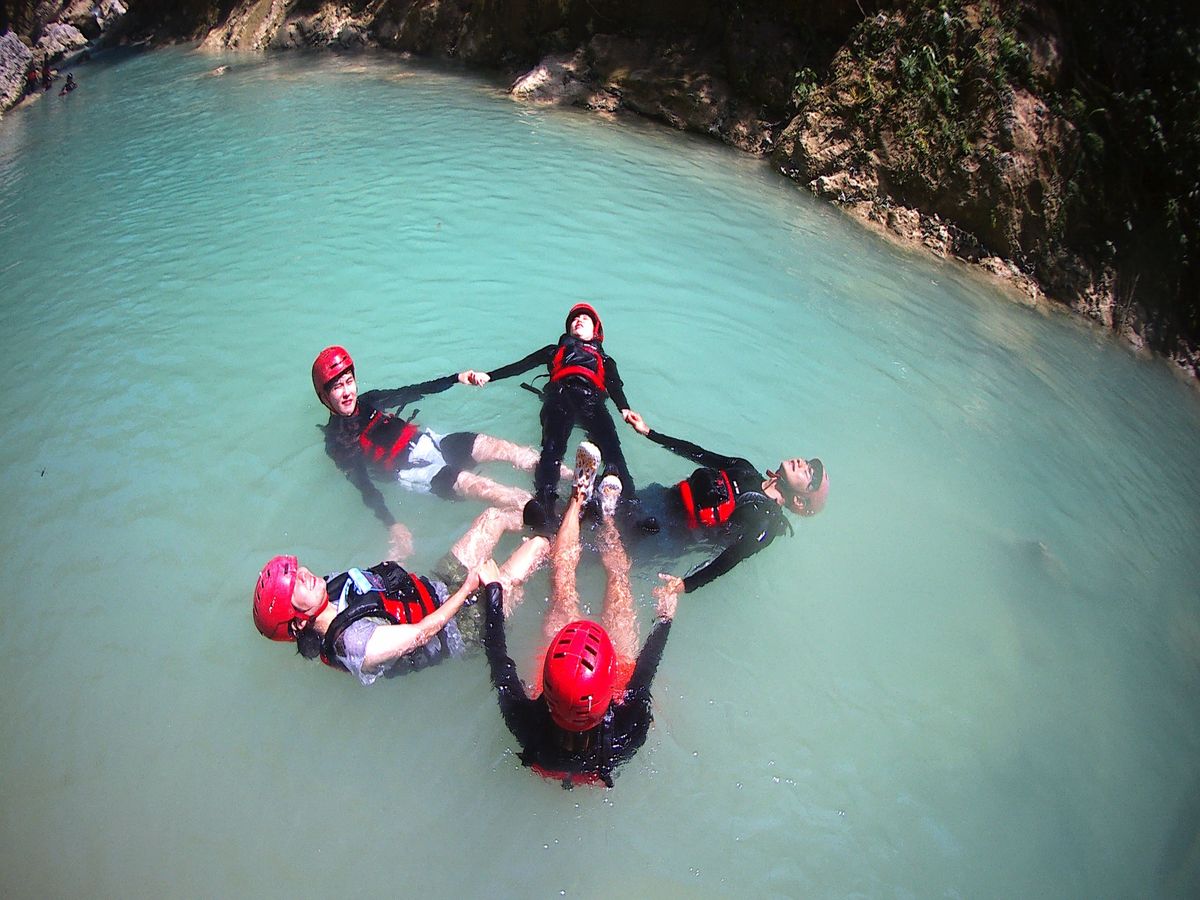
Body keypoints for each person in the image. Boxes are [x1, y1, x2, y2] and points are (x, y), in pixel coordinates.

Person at [484, 443, 677, 788]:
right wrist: (664, 619)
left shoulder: (526, 723)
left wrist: (493, 592)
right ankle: (605, 515)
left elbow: (499, 660)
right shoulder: (625, 732)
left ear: (545, 686)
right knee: (618, 583)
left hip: (576, 673)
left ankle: (578, 496)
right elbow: (643, 674)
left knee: (562, 583)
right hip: (614, 677)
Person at [313, 345, 569, 556]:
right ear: (324, 397)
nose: (347, 392)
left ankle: (569, 477)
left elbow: (414, 391)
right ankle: (551, 524)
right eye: (337, 387)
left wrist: (456, 378)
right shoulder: (338, 440)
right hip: (415, 472)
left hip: (430, 441)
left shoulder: (370, 400)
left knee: (500, 447)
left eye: (349, 382)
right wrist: (392, 524)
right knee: (481, 486)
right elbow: (364, 486)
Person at [252, 505, 548, 684]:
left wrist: (398, 553)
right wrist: (471, 587)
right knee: (531, 552)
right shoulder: (356, 645)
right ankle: (568, 536)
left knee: (492, 518)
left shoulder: (329, 589)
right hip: (458, 631)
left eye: (298, 570)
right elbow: (422, 632)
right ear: (299, 623)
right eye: (295, 586)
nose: (304, 573)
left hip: (435, 587)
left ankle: (552, 513)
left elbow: (375, 586)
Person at [459, 303, 651, 529]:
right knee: (551, 451)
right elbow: (522, 365)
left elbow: (614, 386)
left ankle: (632, 510)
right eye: (574, 319)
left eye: (585, 318)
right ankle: (545, 507)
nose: (578, 320)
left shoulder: (606, 361)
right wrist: (489, 376)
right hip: (560, 397)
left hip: (592, 401)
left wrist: (624, 408)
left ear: (596, 331)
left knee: (613, 453)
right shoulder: (554, 350)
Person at [639, 427, 829, 600]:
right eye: (807, 462)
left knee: (616, 544)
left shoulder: (766, 523)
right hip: (658, 497)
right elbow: (697, 453)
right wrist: (650, 432)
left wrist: (685, 585)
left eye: (809, 473)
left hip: (668, 536)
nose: (801, 463)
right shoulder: (743, 468)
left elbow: (729, 559)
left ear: (799, 501)